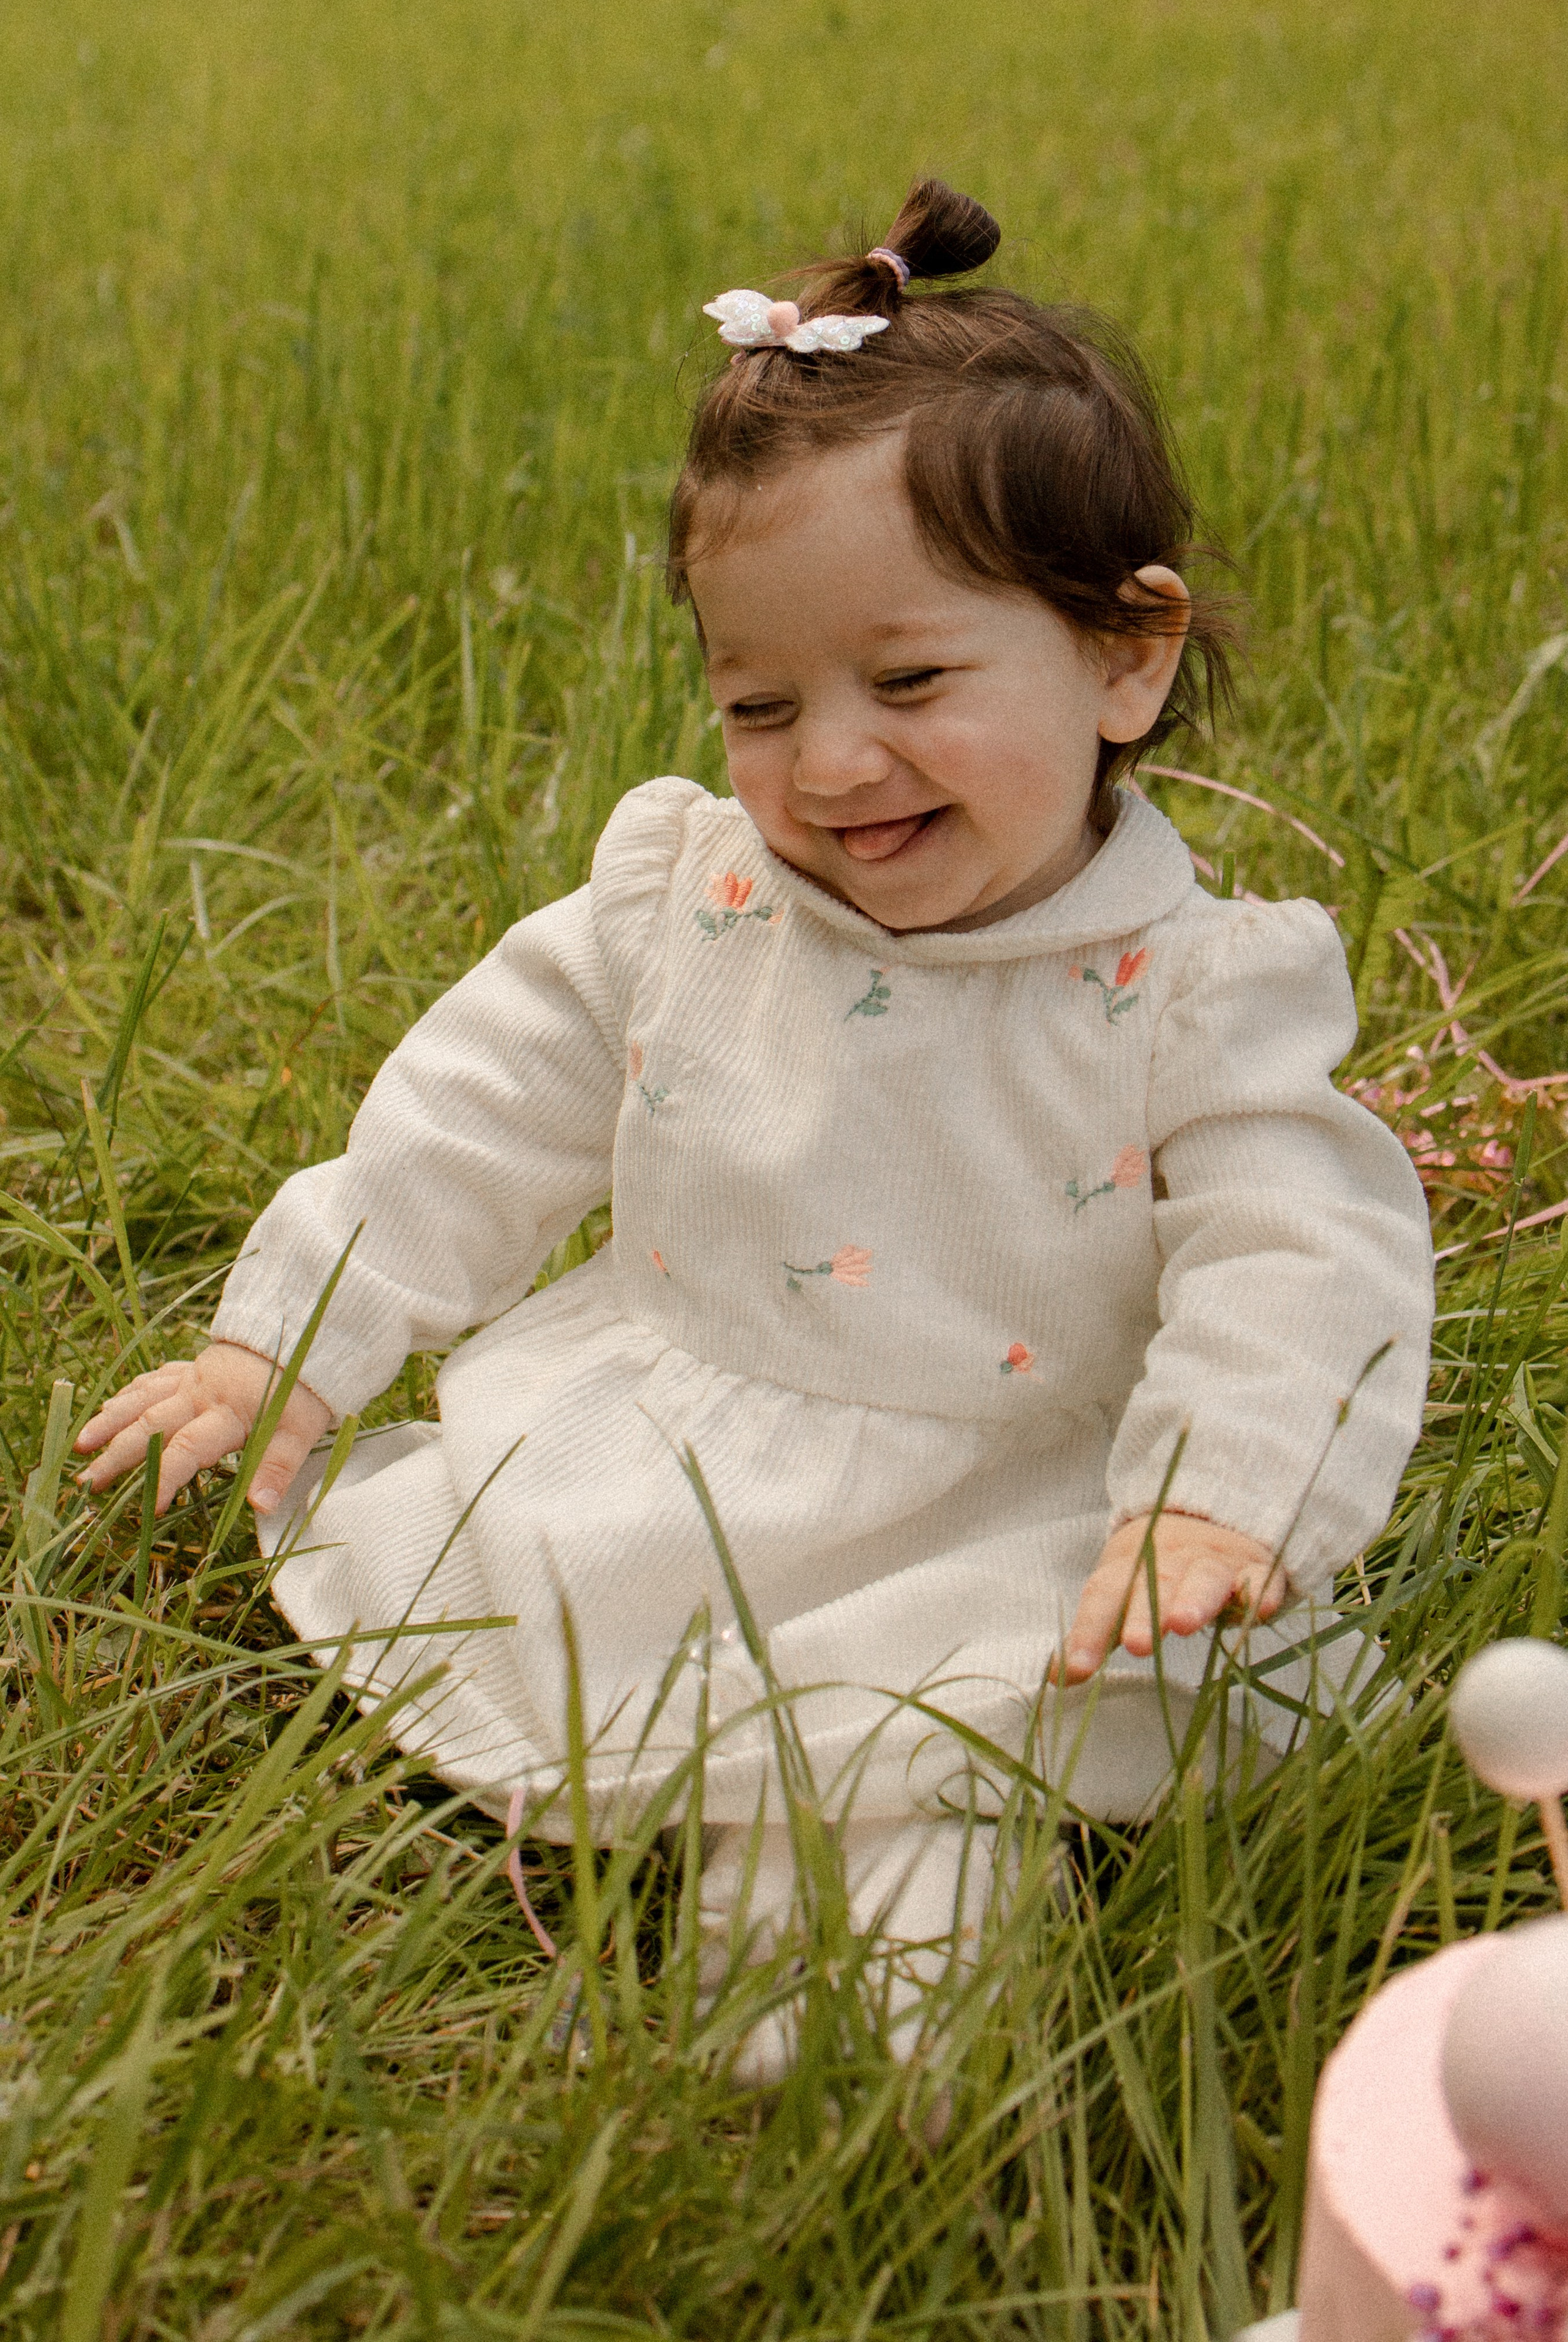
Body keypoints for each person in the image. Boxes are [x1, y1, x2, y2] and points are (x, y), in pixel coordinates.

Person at [77, 179, 1434, 2077]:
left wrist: (1214, 1495)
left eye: (913, 681)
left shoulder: (1195, 996)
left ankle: (844, 2081)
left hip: (1007, 1526)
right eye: (759, 700)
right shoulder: (691, 897)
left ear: (1127, 657)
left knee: (916, 1795)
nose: (832, 764)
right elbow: (479, 1109)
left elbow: (1307, 1251)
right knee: (584, 1642)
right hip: (680, 1456)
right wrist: (294, 1342)